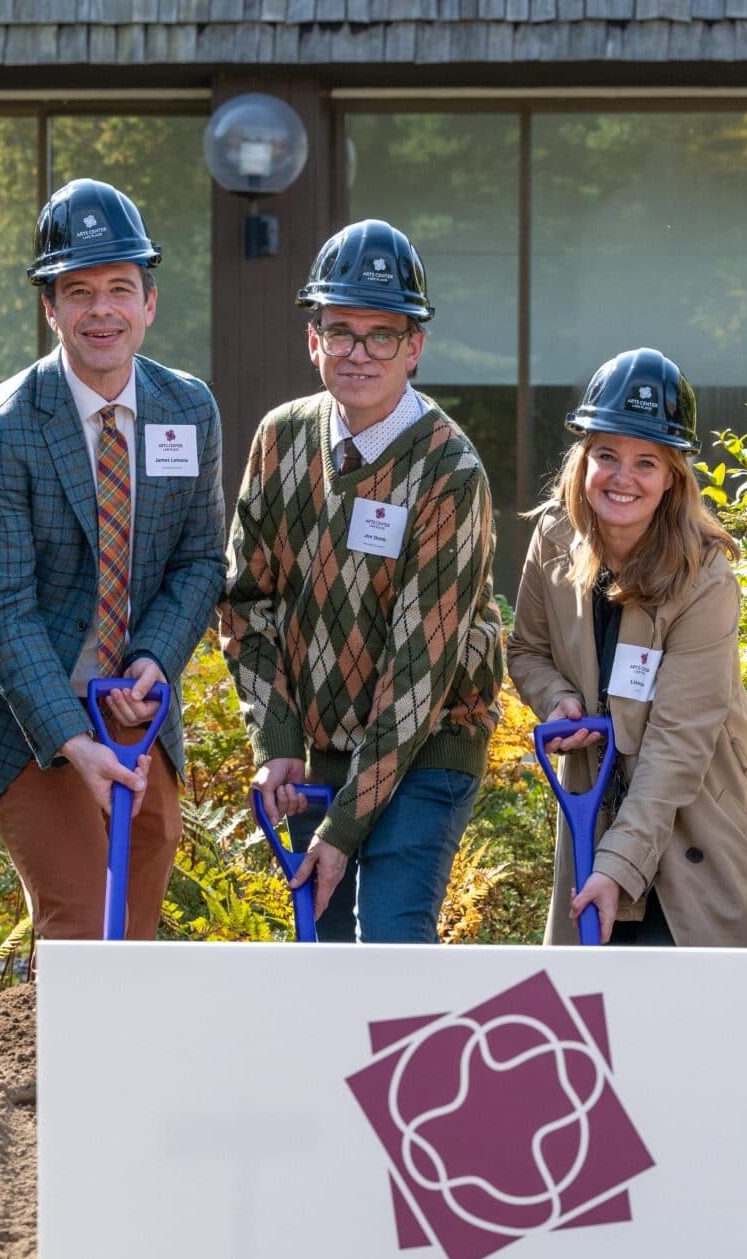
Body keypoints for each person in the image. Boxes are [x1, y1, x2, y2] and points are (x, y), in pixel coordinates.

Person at [0, 179, 225, 946]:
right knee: (82, 916)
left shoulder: (188, 409)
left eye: (120, 288)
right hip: (22, 705)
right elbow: (2, 611)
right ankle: (58, 1063)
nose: (101, 310)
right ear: (48, 307)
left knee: (145, 878)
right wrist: (72, 740)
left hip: (130, 698)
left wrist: (153, 660)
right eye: (76, 291)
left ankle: (114, 1058)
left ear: (149, 302)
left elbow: (198, 561)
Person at [218, 219, 504, 943]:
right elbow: (247, 602)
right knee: (323, 951)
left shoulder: (450, 471)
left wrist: (343, 829)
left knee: (388, 943)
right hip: (323, 745)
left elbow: (419, 672)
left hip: (429, 740)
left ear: (414, 346)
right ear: (312, 339)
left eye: (382, 335)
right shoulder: (280, 438)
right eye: (340, 331)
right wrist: (275, 737)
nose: (358, 353)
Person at [506, 348, 747, 947]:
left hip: (696, 832)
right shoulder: (553, 536)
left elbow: (677, 745)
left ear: (673, 475)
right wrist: (557, 701)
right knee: (593, 1030)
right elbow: (526, 650)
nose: (622, 478)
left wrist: (617, 865)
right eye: (607, 455)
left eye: (646, 461)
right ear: (583, 459)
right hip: (592, 815)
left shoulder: (705, 578)